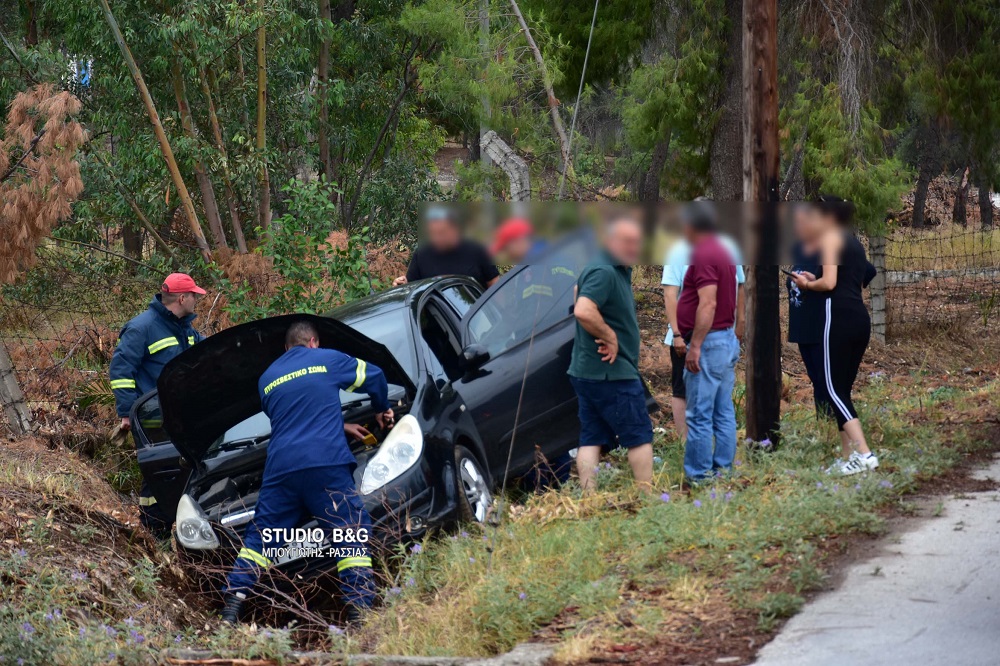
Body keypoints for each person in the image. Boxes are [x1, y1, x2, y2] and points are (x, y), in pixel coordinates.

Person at [220, 321, 394, 626]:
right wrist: (381, 409)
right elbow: (375, 376)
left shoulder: (267, 379)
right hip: (325, 463)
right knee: (347, 533)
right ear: (313, 342)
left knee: (263, 537)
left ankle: (232, 608)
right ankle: (359, 614)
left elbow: (295, 417)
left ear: (287, 348)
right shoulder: (327, 359)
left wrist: (339, 424)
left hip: (282, 470)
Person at [109, 272, 206, 532]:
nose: (197, 300)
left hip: (181, 415)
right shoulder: (142, 328)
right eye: (194, 296)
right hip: (153, 418)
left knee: (185, 469)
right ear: (182, 298)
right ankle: (154, 531)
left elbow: (200, 355)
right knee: (159, 474)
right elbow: (120, 372)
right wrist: (128, 412)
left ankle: (186, 527)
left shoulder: (184, 328)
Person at [788, 196, 878, 476]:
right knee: (841, 389)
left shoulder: (829, 239)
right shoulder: (854, 242)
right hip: (859, 317)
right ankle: (847, 456)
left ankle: (865, 454)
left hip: (834, 319)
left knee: (830, 389)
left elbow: (829, 282)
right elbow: (862, 277)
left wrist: (806, 283)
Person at [568, 216, 655, 493]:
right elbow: (582, 309)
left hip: (589, 371)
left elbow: (576, 292)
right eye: (627, 242)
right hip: (611, 372)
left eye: (637, 242)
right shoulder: (604, 270)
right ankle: (647, 496)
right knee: (638, 435)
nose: (634, 248)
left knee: (591, 437)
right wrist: (609, 336)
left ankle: (589, 498)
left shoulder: (607, 267)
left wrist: (598, 331)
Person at [662, 205, 745, 441]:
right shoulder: (679, 251)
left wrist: (740, 323)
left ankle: (703, 450)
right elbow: (670, 294)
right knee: (683, 390)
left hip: (715, 336)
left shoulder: (725, 249)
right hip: (686, 337)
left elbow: (740, 284)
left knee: (717, 395)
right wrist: (677, 334)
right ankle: (685, 441)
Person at [675, 202, 740, 484]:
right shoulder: (722, 250)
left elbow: (708, 302)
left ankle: (699, 476)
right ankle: (723, 471)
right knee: (723, 410)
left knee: (700, 414)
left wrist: (696, 345)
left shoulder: (704, 254)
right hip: (725, 338)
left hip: (710, 343)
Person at [392, 207, 499, 288]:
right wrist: (401, 285)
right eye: (432, 233)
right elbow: (412, 288)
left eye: (441, 232)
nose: (436, 238)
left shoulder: (478, 251)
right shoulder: (422, 255)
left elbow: (495, 286)